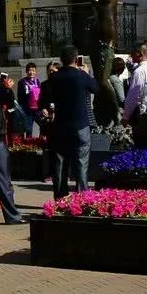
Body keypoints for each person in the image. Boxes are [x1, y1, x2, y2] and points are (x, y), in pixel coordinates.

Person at [39, 46, 99, 200]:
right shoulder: (81, 75)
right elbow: (95, 88)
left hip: (60, 125)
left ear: (61, 60)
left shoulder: (54, 78)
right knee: (81, 164)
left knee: (59, 164)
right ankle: (82, 198)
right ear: (76, 58)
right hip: (80, 125)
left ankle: (60, 198)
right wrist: (86, 73)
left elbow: (47, 98)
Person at [0, 64, 26, 225]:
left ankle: (5, 212)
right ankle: (12, 215)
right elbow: (7, 97)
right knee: (3, 177)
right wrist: (7, 87)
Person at [122, 44, 147, 125]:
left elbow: (133, 96)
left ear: (140, 54)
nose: (131, 56)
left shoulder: (138, 72)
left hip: (139, 111)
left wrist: (126, 117)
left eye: (133, 54)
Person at [16, 62, 41, 137]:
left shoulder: (37, 81)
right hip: (27, 111)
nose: (31, 72)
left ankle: (41, 143)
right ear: (26, 71)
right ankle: (29, 146)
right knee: (28, 130)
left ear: (35, 71)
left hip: (37, 110)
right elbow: (20, 97)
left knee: (44, 126)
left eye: (33, 70)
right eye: (30, 70)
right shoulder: (22, 82)